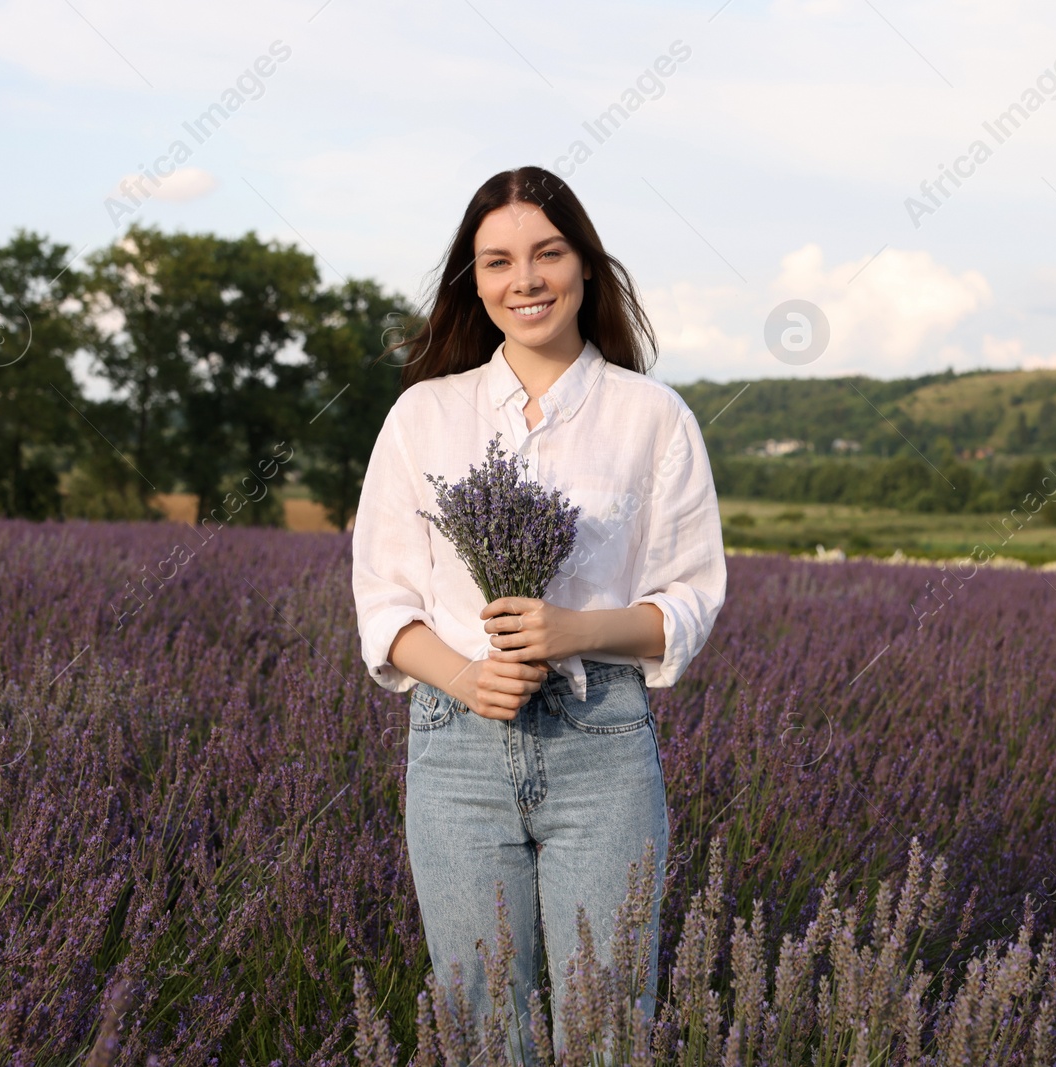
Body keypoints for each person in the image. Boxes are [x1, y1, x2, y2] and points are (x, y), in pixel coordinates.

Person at [350, 165, 726, 1064]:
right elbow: (384, 600)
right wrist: (469, 677)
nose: (526, 279)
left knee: (607, 1019)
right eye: (498, 261)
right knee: (479, 1023)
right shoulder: (422, 418)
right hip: (456, 749)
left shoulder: (654, 418)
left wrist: (573, 631)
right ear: (473, 282)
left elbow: (689, 601)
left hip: (601, 741)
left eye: (548, 253)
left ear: (585, 266)